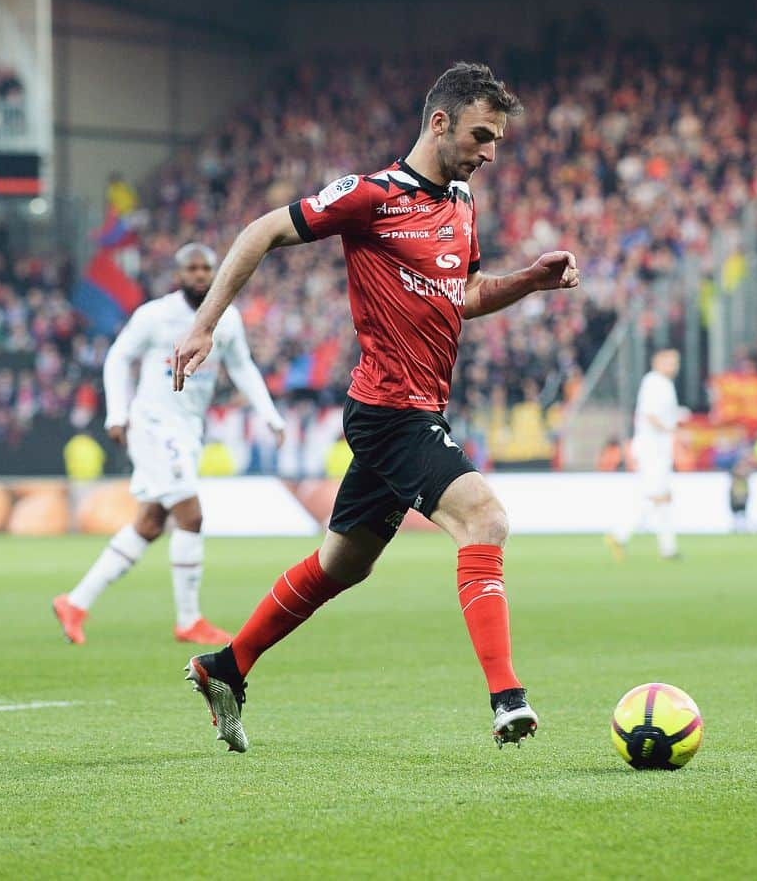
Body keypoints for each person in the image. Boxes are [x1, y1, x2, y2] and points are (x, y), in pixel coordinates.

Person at [172, 62, 579, 753]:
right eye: (481, 135)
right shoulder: (372, 196)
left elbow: (468, 294)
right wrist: (205, 322)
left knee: (343, 565)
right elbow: (262, 230)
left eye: (498, 141)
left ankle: (226, 666)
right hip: (391, 410)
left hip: (418, 409)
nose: (489, 152)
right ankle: (508, 697)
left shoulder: (460, 205)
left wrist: (528, 284)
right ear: (440, 121)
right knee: (485, 517)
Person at [52, 243, 286, 646]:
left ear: (216, 272)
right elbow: (118, 358)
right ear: (178, 275)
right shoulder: (156, 315)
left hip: (188, 428)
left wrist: (270, 414)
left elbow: (242, 367)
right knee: (190, 515)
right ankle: (189, 620)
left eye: (205, 268)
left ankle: (75, 602)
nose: (199, 275)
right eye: (191, 269)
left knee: (149, 524)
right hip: (154, 423)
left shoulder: (226, 319)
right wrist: (117, 413)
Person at [606, 349, 682, 561]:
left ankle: (669, 548)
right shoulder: (655, 383)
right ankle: (619, 533)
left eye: (675, 362)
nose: (674, 366)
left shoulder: (664, 384)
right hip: (652, 449)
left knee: (664, 497)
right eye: (669, 361)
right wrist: (673, 431)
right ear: (656, 362)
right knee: (656, 496)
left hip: (661, 449)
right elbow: (650, 415)